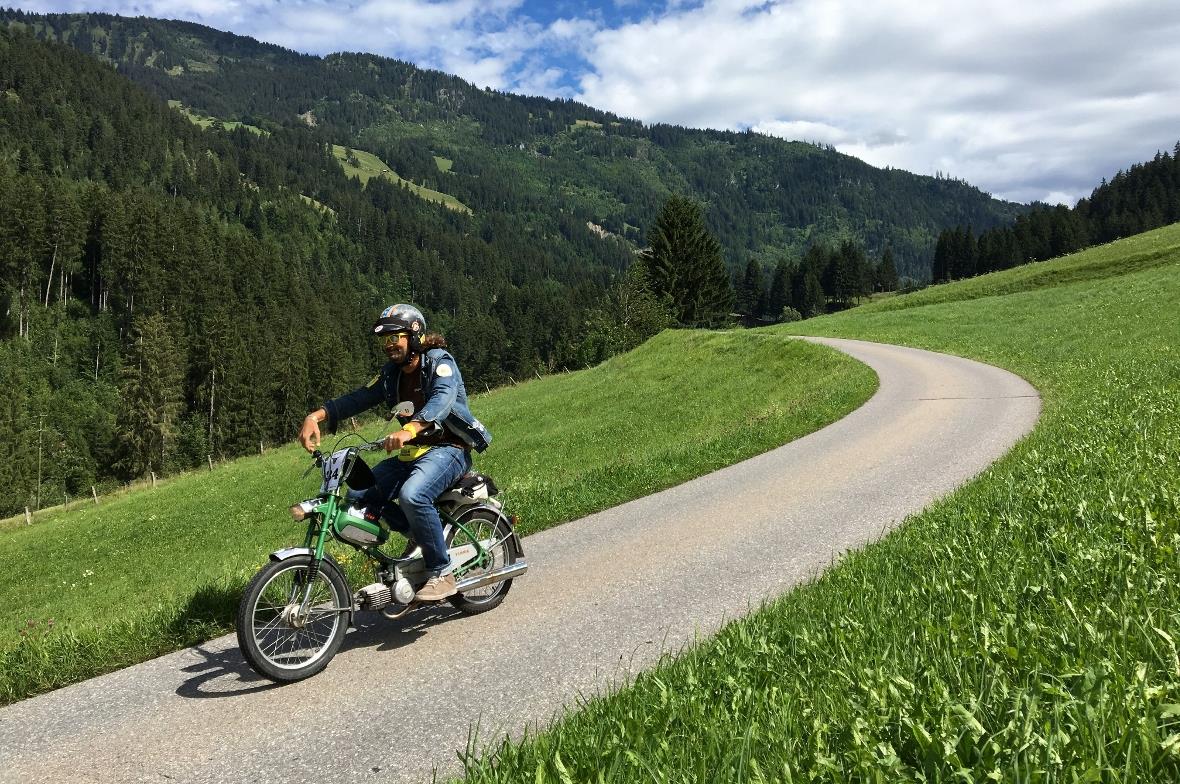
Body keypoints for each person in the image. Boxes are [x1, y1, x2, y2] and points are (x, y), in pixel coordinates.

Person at [299, 304, 492, 601]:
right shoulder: (391, 374)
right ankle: (422, 537)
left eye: (395, 337)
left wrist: (409, 429)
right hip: (413, 454)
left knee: (412, 496)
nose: (389, 345)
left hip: (449, 449)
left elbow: (443, 398)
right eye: (384, 340)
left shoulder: (440, 362)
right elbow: (360, 397)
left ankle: (443, 573)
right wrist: (317, 416)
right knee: (360, 495)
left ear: (414, 336)